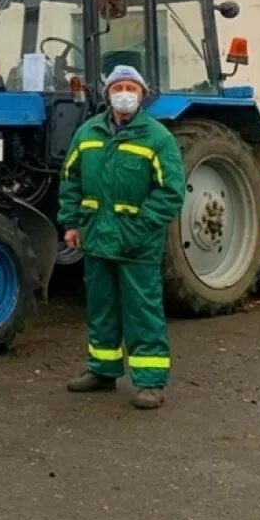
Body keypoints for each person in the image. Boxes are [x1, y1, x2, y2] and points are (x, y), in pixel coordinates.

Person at [58, 65, 186, 410]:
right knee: (102, 307)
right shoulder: (88, 133)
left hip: (137, 242)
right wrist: (71, 223)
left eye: (131, 87)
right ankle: (102, 370)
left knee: (142, 310)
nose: (124, 93)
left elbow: (171, 192)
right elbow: (70, 180)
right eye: (118, 87)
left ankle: (150, 382)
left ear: (142, 95)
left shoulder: (157, 138)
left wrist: (141, 225)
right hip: (97, 238)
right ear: (108, 94)